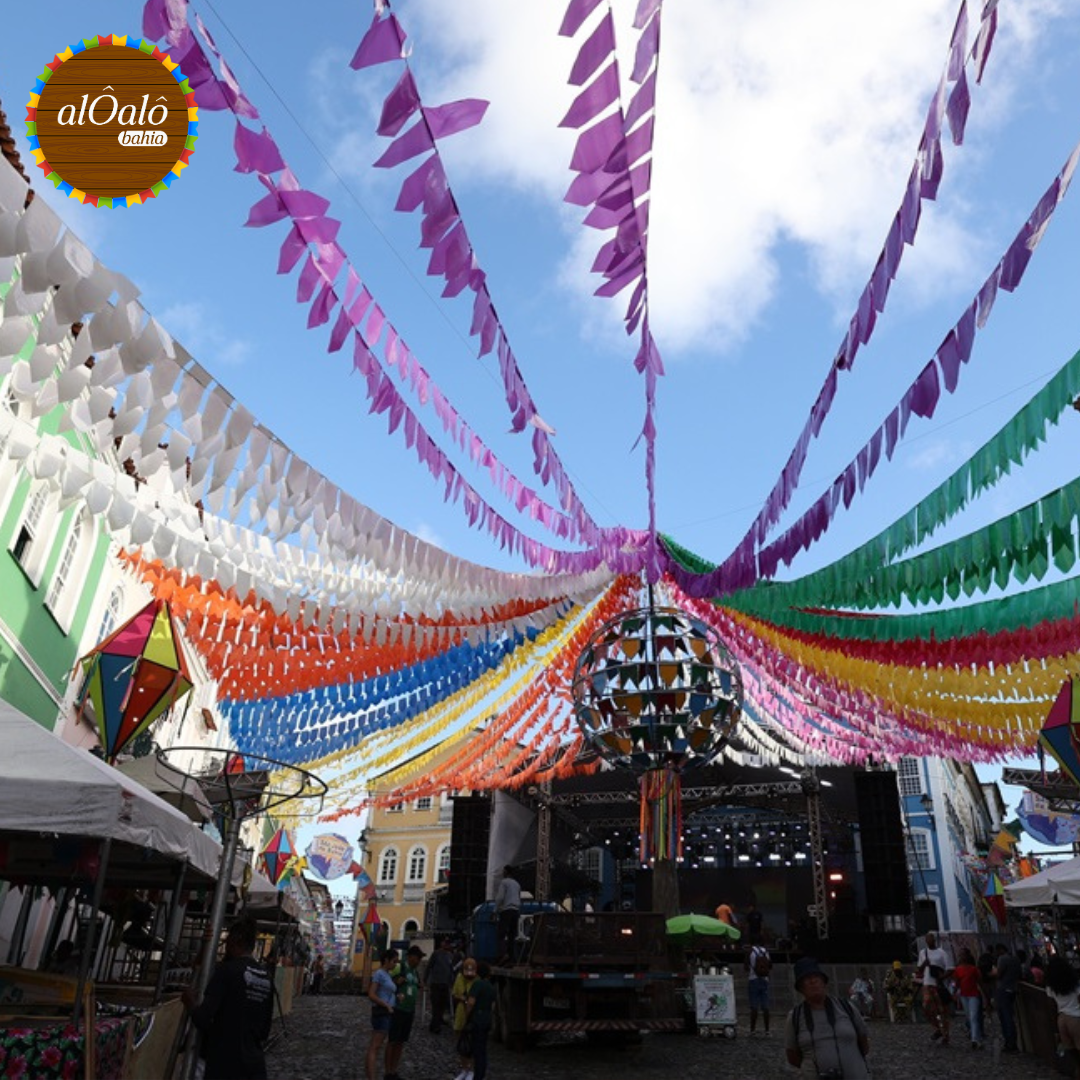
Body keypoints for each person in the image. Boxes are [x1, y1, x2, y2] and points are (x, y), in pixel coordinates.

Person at [182, 917, 273, 1080]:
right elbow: (264, 1031)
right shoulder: (265, 977)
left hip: (225, 1064)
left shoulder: (227, 971)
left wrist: (190, 1003)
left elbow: (203, 1018)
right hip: (253, 1066)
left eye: (226, 940)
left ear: (234, 940)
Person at [785, 956, 871, 1079]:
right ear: (801, 988)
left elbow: (864, 1043)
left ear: (824, 983)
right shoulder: (795, 1017)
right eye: (807, 979)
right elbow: (792, 1056)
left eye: (816, 977)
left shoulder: (846, 1007)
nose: (813, 981)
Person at [384, 944, 424, 1080]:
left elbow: (416, 984)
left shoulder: (415, 971)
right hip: (398, 1009)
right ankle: (387, 1071)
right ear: (411, 957)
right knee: (392, 1040)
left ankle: (394, 1071)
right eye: (417, 958)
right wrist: (397, 982)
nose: (419, 961)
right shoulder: (399, 967)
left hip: (409, 1010)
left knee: (401, 1041)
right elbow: (386, 979)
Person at [1045, 955, 1080, 1079]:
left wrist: (1055, 1028)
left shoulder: (1051, 987)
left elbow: (1051, 1007)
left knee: (1073, 1054)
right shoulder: (1075, 984)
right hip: (1076, 1018)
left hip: (1062, 1020)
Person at [366, 947, 398, 1080]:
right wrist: (386, 1005)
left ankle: (370, 1075)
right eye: (394, 961)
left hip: (387, 1013)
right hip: (382, 1013)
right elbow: (371, 994)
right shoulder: (379, 974)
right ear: (386, 960)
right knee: (375, 1047)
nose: (395, 964)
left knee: (376, 1046)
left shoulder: (387, 974)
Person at [917, 931, 952, 1046]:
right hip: (927, 983)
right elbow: (919, 970)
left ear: (934, 940)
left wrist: (942, 977)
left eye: (930, 939)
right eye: (927, 939)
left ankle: (945, 1034)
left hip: (938, 984)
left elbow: (950, 969)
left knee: (942, 1011)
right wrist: (924, 964)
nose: (928, 941)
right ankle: (937, 1028)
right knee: (926, 1006)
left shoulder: (942, 953)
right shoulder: (923, 953)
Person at [466, 960, 497, 1080]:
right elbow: (493, 1006)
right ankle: (481, 1073)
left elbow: (471, 1003)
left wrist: (467, 1016)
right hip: (487, 1020)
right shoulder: (491, 987)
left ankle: (477, 1076)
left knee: (476, 1050)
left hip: (477, 1020)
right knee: (483, 1050)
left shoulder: (477, 984)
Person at [451, 956, 478, 1080]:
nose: (469, 975)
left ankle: (471, 1069)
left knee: (472, 1043)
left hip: (473, 1015)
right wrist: (462, 998)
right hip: (461, 1014)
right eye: (467, 972)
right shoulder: (459, 978)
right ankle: (464, 1069)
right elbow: (456, 994)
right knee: (460, 1043)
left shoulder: (477, 980)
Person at [993, 943, 1022, 1054]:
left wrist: (993, 973)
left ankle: (1010, 1042)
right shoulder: (1015, 959)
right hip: (1013, 989)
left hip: (1003, 990)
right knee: (1009, 1016)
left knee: (1005, 1017)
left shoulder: (1002, 959)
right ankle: (1012, 1041)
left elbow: (999, 974)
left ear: (1000, 950)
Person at [953, 947, 983, 1049]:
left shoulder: (973, 969)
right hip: (964, 995)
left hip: (973, 995)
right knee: (970, 1017)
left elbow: (979, 982)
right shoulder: (958, 970)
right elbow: (957, 983)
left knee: (973, 1017)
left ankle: (974, 1038)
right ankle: (976, 1037)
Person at [426, 936, 455, 1034]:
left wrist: (452, 982)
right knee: (436, 1005)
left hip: (445, 984)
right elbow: (429, 966)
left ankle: (436, 1024)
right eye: (445, 942)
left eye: (448, 943)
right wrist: (425, 980)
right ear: (441, 943)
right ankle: (435, 1026)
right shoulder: (436, 954)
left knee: (442, 1006)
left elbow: (451, 970)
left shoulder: (450, 955)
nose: (447, 944)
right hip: (436, 983)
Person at [494, 865, 521, 962]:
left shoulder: (504, 882)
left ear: (506, 872)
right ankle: (512, 958)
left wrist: (494, 910)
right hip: (516, 910)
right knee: (512, 935)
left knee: (501, 934)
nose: (502, 873)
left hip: (506, 910)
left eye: (503, 871)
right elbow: (518, 898)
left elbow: (500, 897)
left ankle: (503, 955)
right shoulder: (517, 884)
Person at [745, 942, 772, 1035]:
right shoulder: (766, 952)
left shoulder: (750, 952)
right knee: (765, 1006)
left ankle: (752, 1030)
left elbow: (746, 967)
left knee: (754, 1006)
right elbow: (770, 966)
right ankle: (767, 1030)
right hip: (764, 979)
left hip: (753, 979)